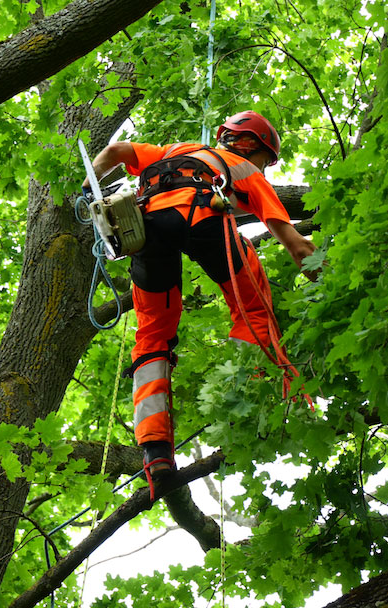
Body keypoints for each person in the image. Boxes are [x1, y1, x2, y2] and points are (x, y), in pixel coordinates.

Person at [82, 111, 317, 498]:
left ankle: (155, 450)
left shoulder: (168, 151)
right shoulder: (244, 169)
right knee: (253, 308)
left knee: (153, 333)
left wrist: (89, 186)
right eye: (265, 161)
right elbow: (293, 240)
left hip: (146, 227)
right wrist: (315, 266)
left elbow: (116, 151)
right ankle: (257, 393)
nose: (263, 169)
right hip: (204, 216)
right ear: (254, 147)